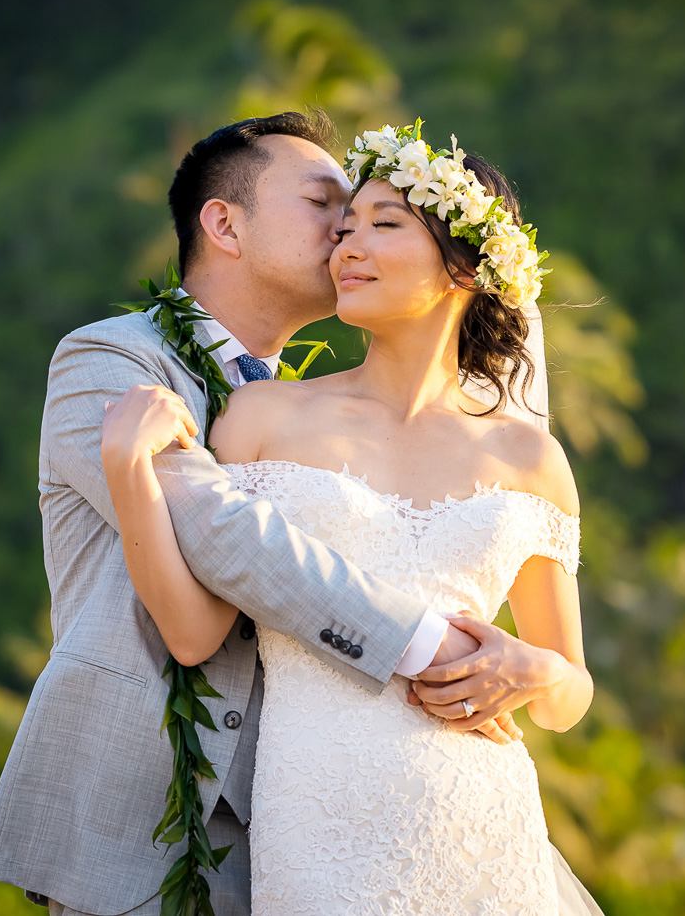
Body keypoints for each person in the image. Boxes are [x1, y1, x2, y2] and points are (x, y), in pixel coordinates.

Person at [0, 112, 544, 916]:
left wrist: (542, 667)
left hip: (303, 832)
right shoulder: (111, 360)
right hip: (137, 820)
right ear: (223, 224)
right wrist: (430, 645)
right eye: (325, 205)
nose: (345, 232)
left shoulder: (312, 409)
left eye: (370, 218)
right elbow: (222, 531)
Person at [101, 121, 605, 913]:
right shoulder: (262, 416)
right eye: (341, 230)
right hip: (318, 828)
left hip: (482, 823)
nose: (345, 248)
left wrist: (535, 671)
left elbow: (567, 690)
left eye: (383, 225)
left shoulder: (528, 459)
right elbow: (194, 634)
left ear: (463, 267)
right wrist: (128, 473)